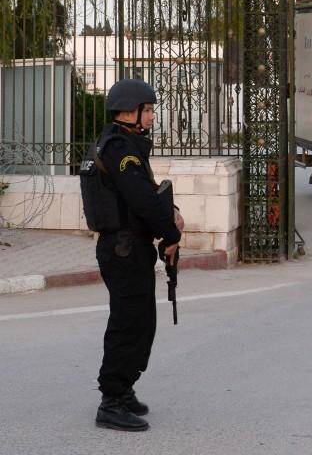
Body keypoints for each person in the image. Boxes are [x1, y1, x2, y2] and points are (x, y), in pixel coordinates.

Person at [80, 79, 184, 431]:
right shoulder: (119, 150)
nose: (153, 115)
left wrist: (171, 212)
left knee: (140, 322)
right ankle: (111, 400)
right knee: (129, 323)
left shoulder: (125, 144)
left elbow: (147, 193)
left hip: (129, 247)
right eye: (149, 109)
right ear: (129, 111)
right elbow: (140, 200)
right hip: (123, 248)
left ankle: (123, 391)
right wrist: (171, 234)